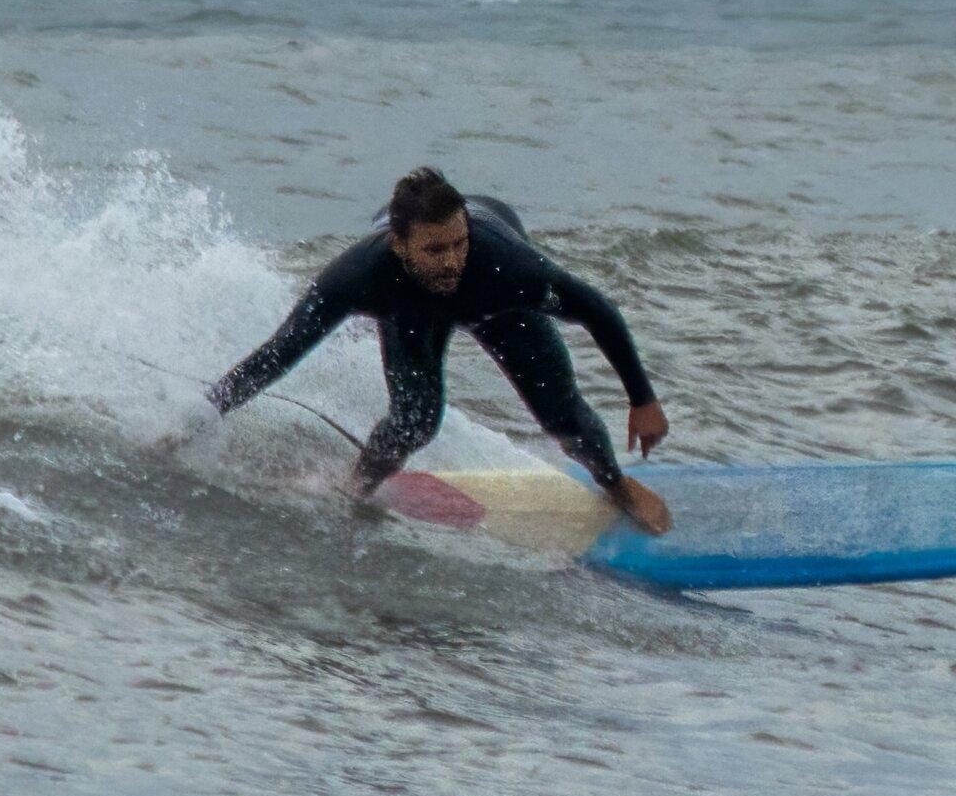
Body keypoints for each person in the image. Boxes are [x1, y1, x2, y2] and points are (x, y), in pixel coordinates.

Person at [194, 166, 673, 530]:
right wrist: (204, 412)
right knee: (415, 419)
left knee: (561, 415)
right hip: (410, 310)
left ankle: (615, 484)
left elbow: (597, 309)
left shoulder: (506, 267)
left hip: (497, 306)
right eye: (435, 251)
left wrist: (642, 400)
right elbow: (281, 351)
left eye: (458, 244)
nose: (453, 261)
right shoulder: (361, 275)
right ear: (401, 245)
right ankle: (357, 485)